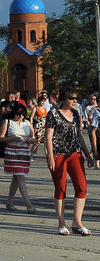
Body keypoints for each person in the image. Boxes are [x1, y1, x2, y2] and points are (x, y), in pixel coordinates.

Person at [45, 90, 93, 236]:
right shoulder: (53, 114)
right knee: (61, 188)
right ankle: (61, 223)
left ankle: (77, 222)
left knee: (81, 187)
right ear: (64, 99)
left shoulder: (76, 114)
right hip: (58, 154)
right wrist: (50, 157)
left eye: (76, 98)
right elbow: (48, 136)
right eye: (72, 98)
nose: (74, 101)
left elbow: (79, 135)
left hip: (75, 154)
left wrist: (87, 154)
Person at [0, 102, 36, 213]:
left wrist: (30, 140)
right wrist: (12, 138)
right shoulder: (8, 122)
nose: (20, 116)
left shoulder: (27, 123)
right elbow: (1, 138)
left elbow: (33, 138)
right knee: (21, 177)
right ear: (13, 113)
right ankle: (29, 204)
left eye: (22, 114)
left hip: (24, 152)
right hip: (12, 152)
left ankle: (9, 201)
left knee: (16, 178)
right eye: (18, 114)